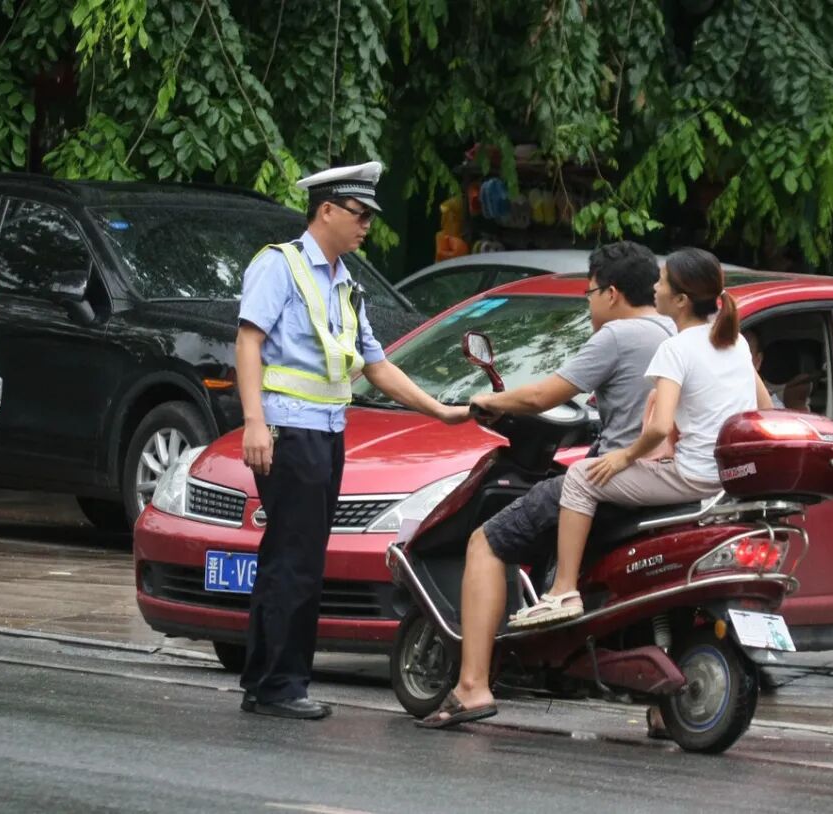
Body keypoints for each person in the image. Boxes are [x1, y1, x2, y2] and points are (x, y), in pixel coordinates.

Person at [236, 161, 469, 720]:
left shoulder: (345, 282)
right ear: (327, 211)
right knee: (295, 561)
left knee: (295, 557)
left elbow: (377, 366)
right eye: (359, 214)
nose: (366, 226)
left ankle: (266, 680)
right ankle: (280, 687)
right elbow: (248, 343)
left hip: (326, 434)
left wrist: (438, 410)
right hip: (291, 433)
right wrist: (253, 423)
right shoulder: (280, 266)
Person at [417, 241, 675, 729]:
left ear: (613, 293)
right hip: (670, 483)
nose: (589, 301)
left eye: (590, 292)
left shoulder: (618, 335)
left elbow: (542, 395)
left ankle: (472, 685)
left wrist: (483, 402)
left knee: (488, 542)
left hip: (611, 480)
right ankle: (663, 708)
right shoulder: (677, 332)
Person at [512, 247, 773, 632]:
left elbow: (655, 429)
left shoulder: (676, 348)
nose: (655, 287)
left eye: (663, 282)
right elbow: (764, 408)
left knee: (582, 477)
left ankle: (563, 591)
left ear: (680, 300)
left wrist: (622, 458)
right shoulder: (732, 343)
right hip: (725, 477)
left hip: (692, 476)